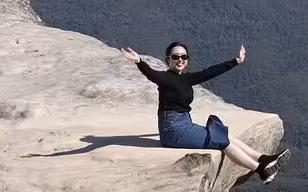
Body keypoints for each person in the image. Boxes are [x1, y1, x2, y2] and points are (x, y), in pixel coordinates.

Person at [121, 41, 290, 184]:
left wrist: (236, 61)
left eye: (183, 56)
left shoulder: (186, 78)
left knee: (221, 132)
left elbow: (209, 72)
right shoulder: (165, 78)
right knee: (220, 140)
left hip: (184, 124)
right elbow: (151, 74)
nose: (180, 59)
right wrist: (138, 61)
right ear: (168, 60)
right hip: (173, 130)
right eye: (175, 57)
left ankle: (263, 158)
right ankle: (261, 170)